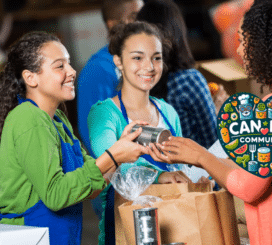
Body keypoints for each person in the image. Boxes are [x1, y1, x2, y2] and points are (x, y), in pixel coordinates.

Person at [152, 0, 272, 244]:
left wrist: (200, 156)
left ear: (268, 47)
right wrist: (202, 159)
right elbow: (265, 169)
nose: (239, 51)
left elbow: (249, 187)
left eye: (244, 42)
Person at [0, 31, 150, 245]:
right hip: (30, 237)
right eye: (59, 66)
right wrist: (113, 155)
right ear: (30, 77)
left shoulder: (57, 119)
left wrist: (122, 152)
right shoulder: (29, 118)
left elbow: (91, 186)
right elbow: (56, 195)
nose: (71, 71)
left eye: (69, 64)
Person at [87, 21, 192, 245]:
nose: (150, 66)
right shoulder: (105, 114)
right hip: (126, 229)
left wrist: (192, 178)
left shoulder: (169, 112)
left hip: (174, 226)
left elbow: (181, 165)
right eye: (137, 57)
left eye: (156, 57)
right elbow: (110, 164)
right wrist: (161, 176)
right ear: (118, 61)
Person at [136, 0, 218, 149]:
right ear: (178, 32)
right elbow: (212, 141)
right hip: (194, 170)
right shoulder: (188, 81)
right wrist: (218, 110)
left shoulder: (134, 82)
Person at [77, 0, 144, 155]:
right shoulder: (97, 70)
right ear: (112, 24)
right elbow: (94, 134)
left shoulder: (146, 60)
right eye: (135, 16)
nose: (143, 23)